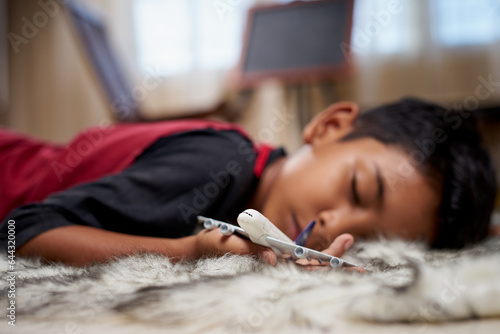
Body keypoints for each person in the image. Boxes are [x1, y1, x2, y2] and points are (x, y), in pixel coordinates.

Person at [0, 98, 496, 266]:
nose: (332, 224)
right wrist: (186, 254)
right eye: (357, 191)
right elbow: (20, 230)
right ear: (328, 126)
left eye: (368, 238)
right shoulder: (218, 161)